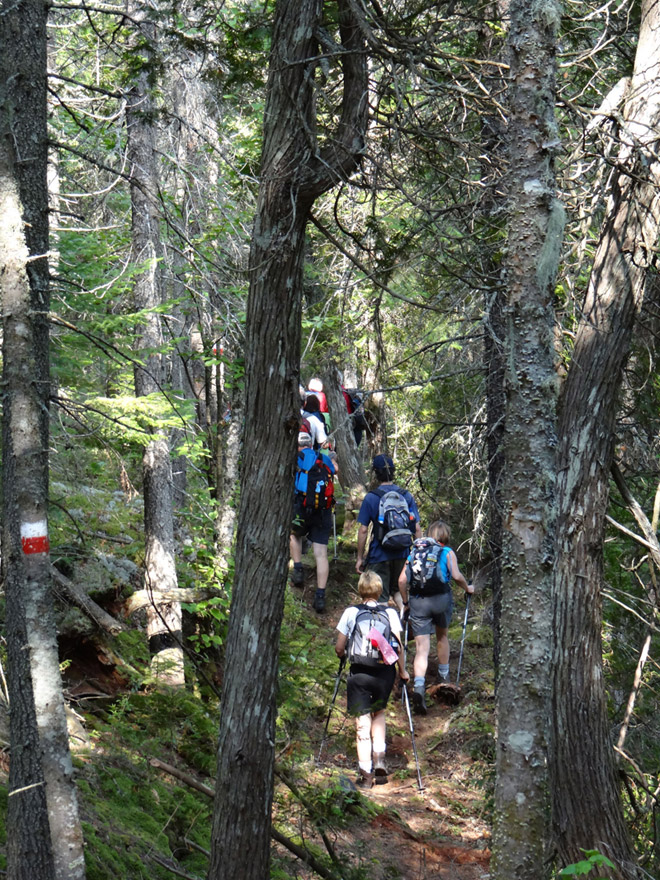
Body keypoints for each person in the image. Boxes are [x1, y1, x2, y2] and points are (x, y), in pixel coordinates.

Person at [335, 571, 409, 787]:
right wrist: (403, 672)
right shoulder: (391, 613)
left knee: (362, 722)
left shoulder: (351, 612)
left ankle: (366, 774)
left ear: (360, 589)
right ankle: (379, 759)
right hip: (384, 674)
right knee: (378, 714)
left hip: (359, 673)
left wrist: (343, 654)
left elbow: (340, 647)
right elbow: (398, 647)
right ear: (379, 589)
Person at [398, 520, 473, 715]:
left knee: (422, 648)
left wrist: (406, 602)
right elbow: (456, 576)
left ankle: (420, 687)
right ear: (445, 535)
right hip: (441, 600)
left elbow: (402, 580)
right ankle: (444, 679)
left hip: (418, 601)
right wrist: (467, 588)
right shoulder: (447, 552)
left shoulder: (415, 552)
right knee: (442, 637)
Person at [356, 454, 422, 609]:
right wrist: (418, 555)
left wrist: (360, 558)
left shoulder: (371, 498)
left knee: (380, 595)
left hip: (379, 555)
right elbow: (417, 528)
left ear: (375, 473)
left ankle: (384, 629)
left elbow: (363, 530)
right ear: (392, 472)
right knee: (398, 591)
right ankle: (406, 621)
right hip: (403, 553)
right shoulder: (406, 496)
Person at [290, 432, 336, 613]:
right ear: (310, 443)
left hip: (302, 505)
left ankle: (298, 569)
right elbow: (335, 470)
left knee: (293, 534)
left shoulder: (297, 457)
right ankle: (320, 596)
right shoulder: (323, 458)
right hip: (323, 510)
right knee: (321, 553)